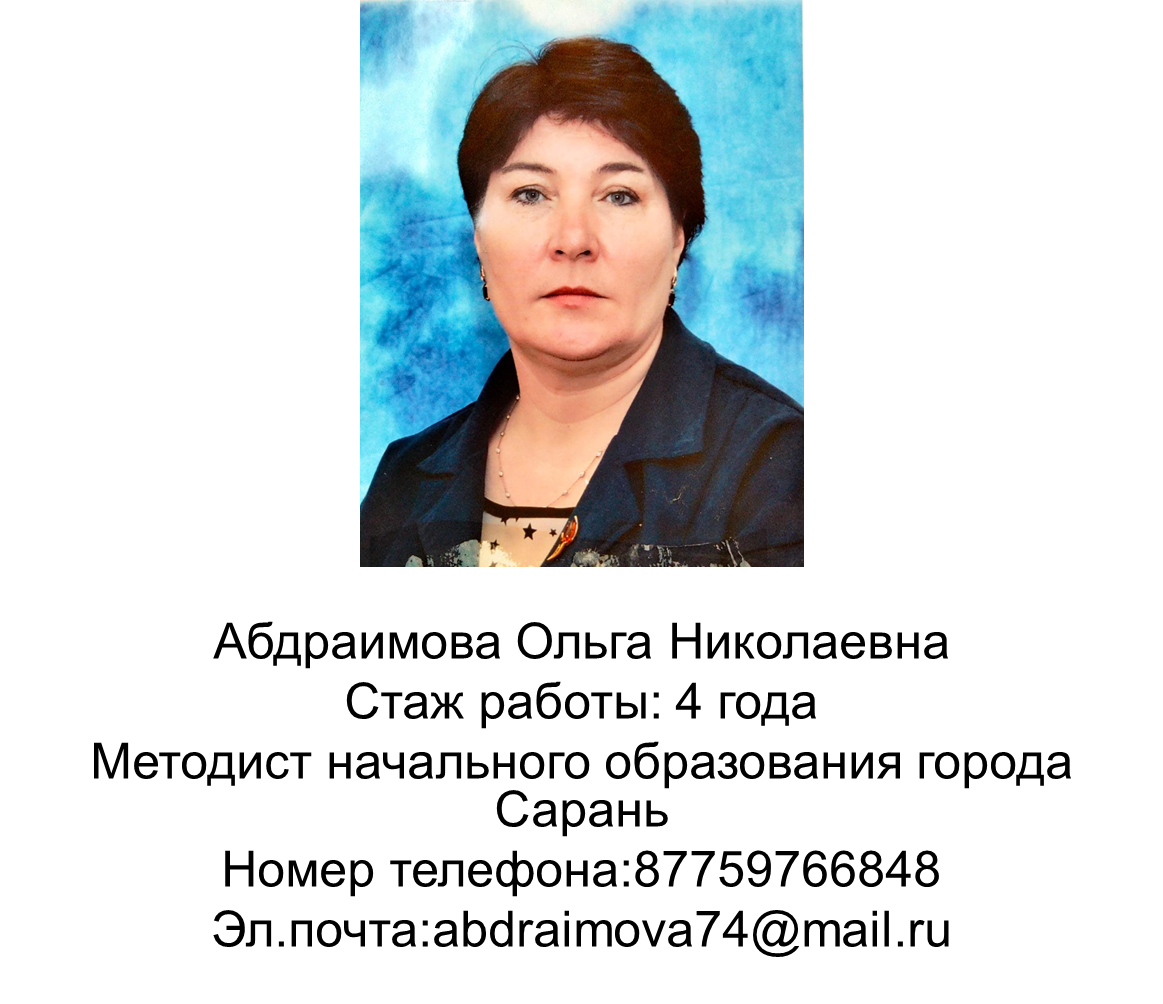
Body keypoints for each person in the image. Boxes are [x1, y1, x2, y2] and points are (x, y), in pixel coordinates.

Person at [360, 37, 803, 566]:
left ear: (678, 238)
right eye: (530, 194)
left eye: (619, 196)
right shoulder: (404, 481)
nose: (573, 239)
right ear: (478, 239)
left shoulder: (779, 466)